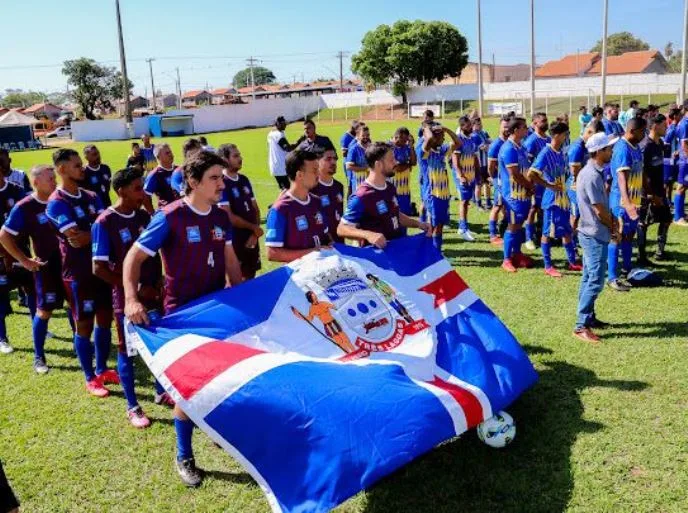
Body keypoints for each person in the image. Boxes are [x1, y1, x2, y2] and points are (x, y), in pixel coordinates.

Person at [124, 150, 242, 487]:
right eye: (215, 178)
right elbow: (134, 257)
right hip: (182, 316)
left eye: (222, 176)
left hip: (219, 311)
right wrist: (131, 299)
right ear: (192, 182)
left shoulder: (221, 217)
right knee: (188, 392)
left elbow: (230, 261)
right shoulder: (170, 217)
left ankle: (217, 430)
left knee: (223, 378)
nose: (222, 183)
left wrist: (245, 296)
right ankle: (184, 454)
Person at [91, 167, 162, 428]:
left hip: (153, 293)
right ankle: (132, 405)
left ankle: (160, 391)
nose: (142, 192)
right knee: (127, 349)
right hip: (127, 298)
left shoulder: (144, 216)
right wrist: (134, 288)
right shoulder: (104, 222)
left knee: (157, 343)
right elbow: (98, 268)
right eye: (137, 188)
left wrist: (156, 281)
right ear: (121, 191)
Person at [46, 149, 116, 397]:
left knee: (105, 319)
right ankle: (89, 377)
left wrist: (91, 234)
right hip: (78, 274)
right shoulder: (56, 203)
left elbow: (101, 229)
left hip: (101, 268)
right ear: (62, 169)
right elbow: (75, 238)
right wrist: (93, 231)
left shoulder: (92, 195)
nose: (82, 168)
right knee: (84, 325)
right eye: (77, 165)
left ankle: (102, 368)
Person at [0, 165, 64, 371]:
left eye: (54, 177)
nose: (54, 181)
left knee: (76, 308)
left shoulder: (62, 200)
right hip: (45, 267)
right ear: (35, 182)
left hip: (70, 265)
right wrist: (25, 260)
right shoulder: (25, 206)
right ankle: (39, 356)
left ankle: (84, 349)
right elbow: (4, 235)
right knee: (44, 311)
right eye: (50, 179)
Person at [338, 142, 431, 248]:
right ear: (378, 164)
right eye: (391, 160)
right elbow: (341, 228)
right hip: (376, 260)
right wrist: (368, 235)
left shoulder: (390, 188)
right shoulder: (362, 196)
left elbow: (395, 214)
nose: (396, 162)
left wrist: (419, 224)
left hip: (394, 252)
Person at [573, 132, 617, 343]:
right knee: (596, 280)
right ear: (599, 152)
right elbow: (599, 210)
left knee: (588, 277)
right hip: (594, 233)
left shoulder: (593, 172)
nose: (611, 151)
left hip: (591, 232)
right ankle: (581, 325)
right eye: (608, 148)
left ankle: (588, 318)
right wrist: (614, 227)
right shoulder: (591, 175)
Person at [527, 121, 582, 277]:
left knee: (566, 232)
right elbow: (531, 174)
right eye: (566, 134)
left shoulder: (561, 152)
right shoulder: (545, 153)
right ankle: (548, 266)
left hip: (563, 198)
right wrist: (548, 185)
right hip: (552, 201)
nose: (567, 137)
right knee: (547, 233)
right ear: (557, 135)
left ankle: (572, 262)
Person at [265, 149, 331, 263]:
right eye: (314, 170)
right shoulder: (280, 209)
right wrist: (312, 253)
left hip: (323, 270)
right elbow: (272, 253)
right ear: (300, 175)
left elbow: (326, 237)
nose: (318, 174)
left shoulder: (316, 201)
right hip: (300, 276)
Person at [607, 117, 646, 292]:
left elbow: (640, 173)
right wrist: (628, 204)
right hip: (621, 202)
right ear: (633, 131)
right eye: (642, 131)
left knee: (629, 235)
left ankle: (627, 269)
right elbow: (622, 179)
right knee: (617, 236)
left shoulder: (636, 147)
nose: (644, 134)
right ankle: (612, 277)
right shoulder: (623, 148)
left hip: (633, 201)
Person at [216, 144, 263, 279]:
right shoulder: (222, 183)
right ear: (224, 159)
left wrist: (255, 234)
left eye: (240, 155)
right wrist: (254, 228)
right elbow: (228, 216)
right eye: (235, 156)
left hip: (252, 238)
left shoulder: (244, 179)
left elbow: (255, 208)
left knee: (251, 276)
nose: (240, 158)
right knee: (236, 281)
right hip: (235, 241)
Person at [499, 117, 536, 272]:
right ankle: (506, 259)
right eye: (524, 127)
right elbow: (514, 174)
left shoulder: (520, 147)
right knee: (513, 226)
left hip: (523, 193)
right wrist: (528, 185)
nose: (527, 130)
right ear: (515, 130)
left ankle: (517, 254)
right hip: (513, 195)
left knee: (519, 225)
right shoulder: (508, 149)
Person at [416, 123, 461, 250]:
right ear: (434, 137)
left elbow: (458, 143)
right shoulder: (424, 151)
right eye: (441, 136)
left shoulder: (442, 149)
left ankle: (437, 253)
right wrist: (426, 128)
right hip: (432, 194)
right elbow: (429, 139)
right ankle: (428, 253)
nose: (444, 138)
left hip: (444, 193)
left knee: (440, 225)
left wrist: (446, 129)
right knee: (432, 226)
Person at [0, 160, 28, 355]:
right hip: (0, 255)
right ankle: (2, 337)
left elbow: (28, 221)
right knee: (0, 296)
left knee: (31, 289)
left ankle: (41, 329)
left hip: (21, 250)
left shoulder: (17, 191)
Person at [637, 114, 671, 262]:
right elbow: (642, 172)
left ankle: (660, 251)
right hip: (648, 192)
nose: (667, 127)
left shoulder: (659, 143)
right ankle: (641, 255)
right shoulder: (646, 146)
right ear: (655, 126)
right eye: (664, 125)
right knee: (643, 223)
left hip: (659, 189)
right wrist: (650, 194)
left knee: (666, 219)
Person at [568, 120, 605, 249]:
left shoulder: (587, 145)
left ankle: (579, 238)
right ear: (589, 131)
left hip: (584, 185)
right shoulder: (577, 147)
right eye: (595, 136)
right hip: (575, 187)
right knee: (575, 215)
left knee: (584, 213)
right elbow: (574, 171)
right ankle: (571, 243)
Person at [523, 112, 551, 250]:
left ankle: (541, 235)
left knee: (543, 208)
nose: (546, 123)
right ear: (534, 124)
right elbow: (527, 164)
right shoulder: (531, 141)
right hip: (536, 181)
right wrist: (530, 183)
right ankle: (528, 237)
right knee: (533, 208)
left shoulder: (549, 139)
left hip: (547, 181)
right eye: (543, 121)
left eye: (546, 120)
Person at [310, 143, 345, 243]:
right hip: (322, 247)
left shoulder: (339, 186)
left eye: (335, 158)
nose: (333, 162)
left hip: (339, 244)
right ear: (317, 162)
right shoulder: (311, 188)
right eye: (328, 159)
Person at [453, 115, 480, 241]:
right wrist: (460, 176)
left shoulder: (472, 139)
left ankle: (462, 225)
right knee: (463, 201)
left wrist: (478, 174)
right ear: (462, 127)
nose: (471, 128)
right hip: (462, 177)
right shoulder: (458, 140)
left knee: (467, 202)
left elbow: (474, 158)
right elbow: (455, 161)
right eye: (468, 126)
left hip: (471, 175)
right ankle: (463, 228)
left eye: (471, 125)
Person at [486, 115, 510, 245]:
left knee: (506, 207)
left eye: (508, 126)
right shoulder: (496, 145)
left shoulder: (510, 142)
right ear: (500, 127)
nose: (507, 129)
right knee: (497, 206)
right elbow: (490, 167)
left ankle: (504, 230)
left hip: (509, 182)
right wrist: (495, 179)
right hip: (500, 181)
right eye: (504, 126)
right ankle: (492, 234)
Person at [142, 143, 180, 214]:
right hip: (168, 215)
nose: (170, 154)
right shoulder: (155, 174)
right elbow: (145, 197)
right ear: (158, 157)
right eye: (167, 153)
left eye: (170, 152)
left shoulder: (179, 170)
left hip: (184, 213)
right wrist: (153, 214)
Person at [389, 127, 416, 216]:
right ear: (397, 137)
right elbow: (397, 168)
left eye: (406, 140)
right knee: (394, 215)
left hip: (404, 187)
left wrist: (411, 146)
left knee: (405, 214)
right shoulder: (389, 147)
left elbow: (414, 162)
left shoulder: (406, 147)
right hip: (392, 187)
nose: (406, 142)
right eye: (404, 140)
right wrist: (408, 165)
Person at [267, 116, 294, 190]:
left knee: (285, 189)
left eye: (285, 123)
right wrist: (300, 142)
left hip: (276, 165)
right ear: (277, 124)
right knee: (287, 190)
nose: (285, 125)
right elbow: (288, 148)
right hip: (280, 167)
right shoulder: (278, 135)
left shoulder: (271, 134)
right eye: (282, 123)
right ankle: (279, 202)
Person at [472, 117, 492, 210]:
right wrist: (491, 147)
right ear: (473, 125)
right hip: (478, 164)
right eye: (478, 124)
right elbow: (485, 147)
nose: (481, 125)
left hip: (486, 163)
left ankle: (488, 202)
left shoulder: (483, 133)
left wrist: (490, 145)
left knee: (487, 183)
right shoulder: (474, 136)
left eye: (481, 123)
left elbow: (490, 141)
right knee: (478, 185)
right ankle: (479, 204)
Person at [673, 100, 688, 226]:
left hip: (684, 159)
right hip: (685, 161)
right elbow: (684, 144)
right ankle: (678, 217)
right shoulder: (684, 124)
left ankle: (681, 213)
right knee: (681, 187)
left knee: (684, 187)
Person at [662, 107, 681, 204]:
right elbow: (666, 143)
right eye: (679, 115)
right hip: (669, 159)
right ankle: (665, 200)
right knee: (667, 181)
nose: (681, 116)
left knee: (671, 181)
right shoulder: (672, 129)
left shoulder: (677, 127)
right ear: (675, 116)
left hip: (675, 159)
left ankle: (669, 200)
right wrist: (673, 153)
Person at [345, 124, 372, 193]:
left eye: (368, 135)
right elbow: (348, 166)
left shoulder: (372, 147)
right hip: (358, 182)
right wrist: (365, 168)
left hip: (371, 181)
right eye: (363, 135)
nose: (366, 137)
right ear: (358, 136)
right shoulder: (354, 149)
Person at [340, 120, 360, 197]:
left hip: (355, 162)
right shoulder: (345, 137)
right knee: (350, 184)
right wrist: (354, 149)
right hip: (348, 163)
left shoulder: (355, 136)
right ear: (353, 128)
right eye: (357, 129)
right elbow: (344, 153)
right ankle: (349, 202)